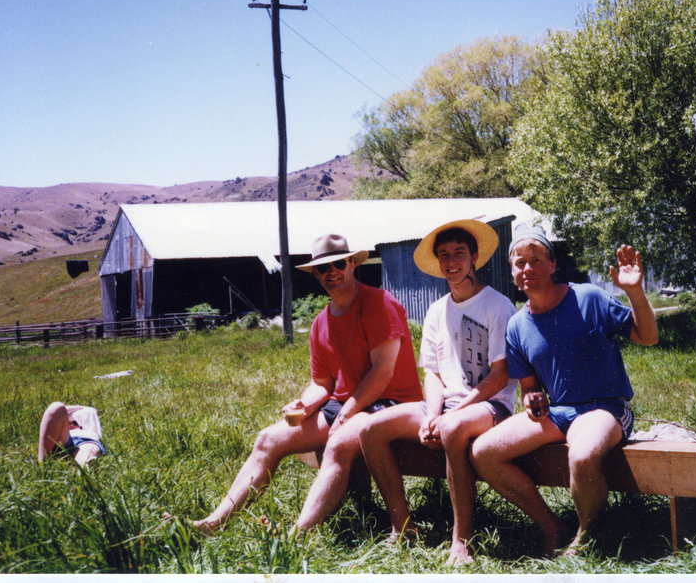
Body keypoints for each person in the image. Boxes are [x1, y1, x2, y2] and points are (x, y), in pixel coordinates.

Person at [170, 233, 423, 535]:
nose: (332, 272)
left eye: (339, 264)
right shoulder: (321, 322)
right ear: (315, 274)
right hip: (347, 404)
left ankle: (297, 537)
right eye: (323, 268)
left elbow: (382, 373)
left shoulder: (379, 303)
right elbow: (322, 383)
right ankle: (214, 523)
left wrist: (346, 414)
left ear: (352, 264)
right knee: (268, 439)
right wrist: (305, 404)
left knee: (338, 443)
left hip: (391, 403)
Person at [469, 224, 659, 557]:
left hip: (605, 408)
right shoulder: (517, 325)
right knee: (484, 452)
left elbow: (648, 337)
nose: (527, 269)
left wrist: (635, 292)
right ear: (512, 272)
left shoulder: (588, 297)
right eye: (519, 263)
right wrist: (532, 399)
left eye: (536, 260)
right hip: (559, 413)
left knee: (582, 456)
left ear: (553, 265)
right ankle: (551, 526)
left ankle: (586, 537)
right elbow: (529, 388)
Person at [358, 220, 518, 565]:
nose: (451, 262)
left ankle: (461, 542)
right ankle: (403, 527)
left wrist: (451, 415)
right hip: (445, 407)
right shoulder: (436, 310)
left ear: (475, 257)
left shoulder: (498, 304)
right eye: (444, 255)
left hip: (491, 405)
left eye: (459, 253)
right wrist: (432, 415)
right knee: (370, 428)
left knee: (451, 428)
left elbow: (500, 375)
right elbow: (431, 372)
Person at [38, 402, 107, 467]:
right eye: (68, 423)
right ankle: (42, 463)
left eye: (74, 423)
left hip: (85, 441)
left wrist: (82, 408)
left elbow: (92, 410)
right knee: (57, 406)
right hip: (63, 439)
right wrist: (79, 407)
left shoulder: (88, 420)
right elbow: (51, 412)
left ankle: (85, 466)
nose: (70, 425)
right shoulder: (63, 420)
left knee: (87, 449)